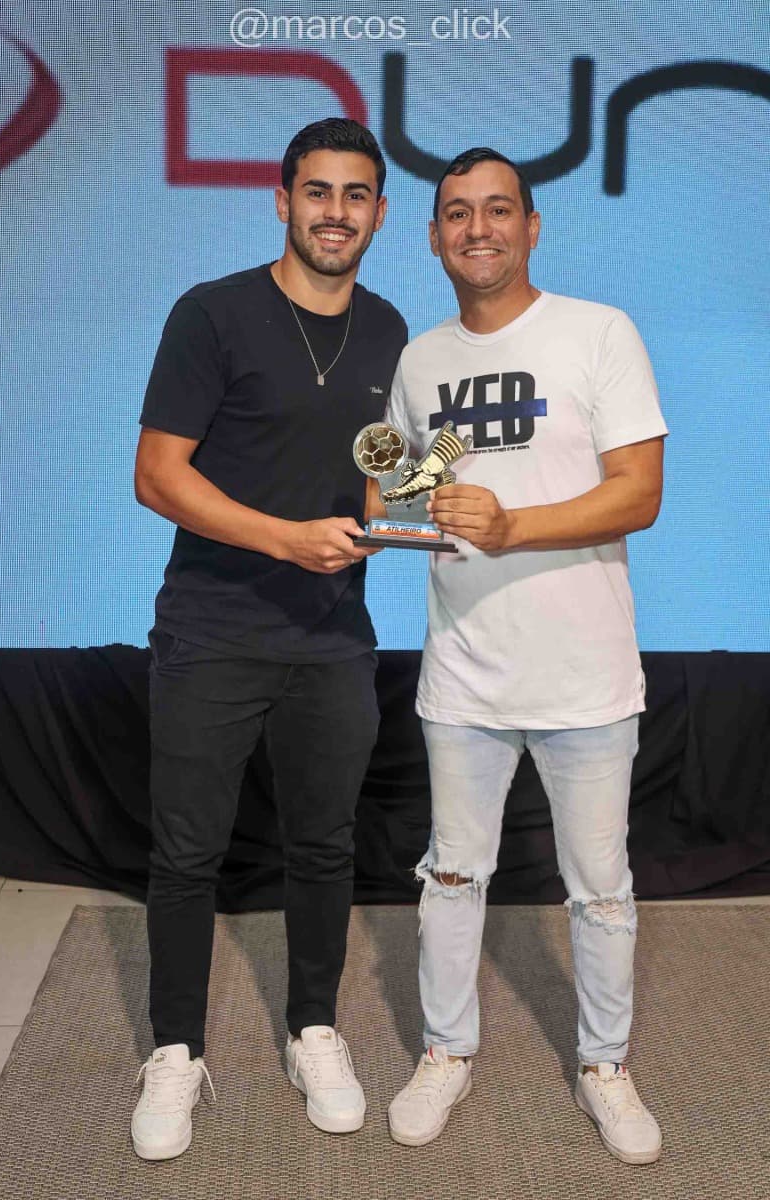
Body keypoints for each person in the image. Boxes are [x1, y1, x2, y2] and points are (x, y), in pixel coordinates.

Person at [383, 148, 667, 1164]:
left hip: (586, 674)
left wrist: (512, 528)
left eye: (497, 210)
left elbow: (638, 492)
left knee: (599, 888)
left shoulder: (599, 331)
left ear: (532, 226)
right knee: (452, 875)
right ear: (433, 237)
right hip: (463, 673)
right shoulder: (418, 361)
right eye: (457, 213)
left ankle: (604, 1066)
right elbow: (405, 492)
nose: (478, 229)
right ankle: (445, 1051)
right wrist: (389, 512)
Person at [131, 118, 407, 1161]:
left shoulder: (390, 331)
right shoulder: (211, 314)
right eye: (318, 191)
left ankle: (313, 1030)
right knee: (186, 854)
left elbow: (379, 481)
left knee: (324, 846)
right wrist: (285, 539)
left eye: (356, 194)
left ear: (379, 213)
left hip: (333, 641)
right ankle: (175, 1050)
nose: (336, 212)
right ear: (282, 200)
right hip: (211, 632)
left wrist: (436, 504)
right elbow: (158, 476)